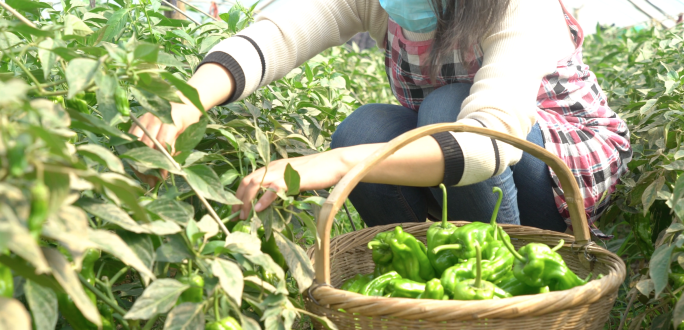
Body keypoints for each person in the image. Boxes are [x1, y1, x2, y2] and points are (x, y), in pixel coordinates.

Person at [130, 0, 632, 234]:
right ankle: (432, 282)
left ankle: (507, 275)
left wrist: (319, 167)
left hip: (552, 165)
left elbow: (487, 143)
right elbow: (280, 33)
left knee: (444, 110)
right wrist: (184, 100)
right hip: (459, 147)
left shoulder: (520, 7)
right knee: (362, 129)